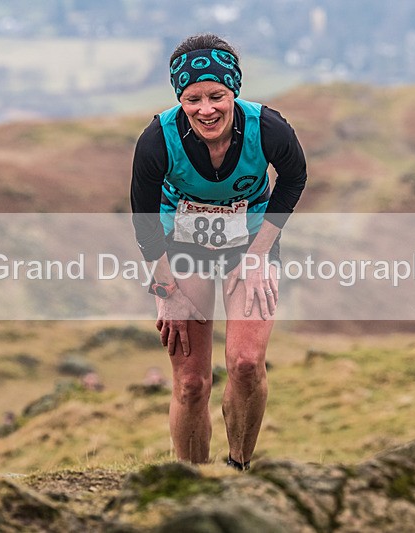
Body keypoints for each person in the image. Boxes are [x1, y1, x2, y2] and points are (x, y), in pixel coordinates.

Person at [131, 34, 307, 470]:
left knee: (246, 363)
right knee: (191, 383)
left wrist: (258, 254)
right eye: (193, 99)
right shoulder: (157, 140)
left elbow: (293, 179)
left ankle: (237, 468)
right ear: (180, 99)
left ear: (234, 92)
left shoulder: (269, 129)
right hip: (181, 248)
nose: (206, 109)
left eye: (217, 96)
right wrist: (164, 286)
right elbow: (144, 215)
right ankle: (190, 480)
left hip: (250, 243)